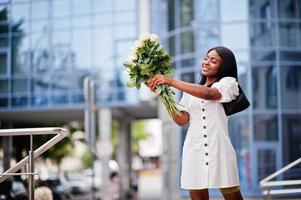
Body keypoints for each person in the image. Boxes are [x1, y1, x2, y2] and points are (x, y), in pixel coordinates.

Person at [147, 46, 244, 200]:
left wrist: (171, 82)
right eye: (206, 58)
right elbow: (181, 120)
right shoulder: (190, 91)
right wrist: (162, 94)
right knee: (197, 197)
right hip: (194, 149)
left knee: (232, 195)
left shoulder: (228, 83)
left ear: (223, 66)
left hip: (219, 147)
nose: (206, 62)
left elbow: (209, 94)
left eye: (213, 61)